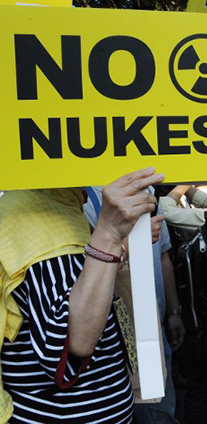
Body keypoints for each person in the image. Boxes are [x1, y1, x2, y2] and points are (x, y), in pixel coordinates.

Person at [0, 168, 163, 422]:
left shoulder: (56, 204)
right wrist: (108, 234)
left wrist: (118, 248)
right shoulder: (37, 215)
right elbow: (74, 341)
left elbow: (77, 282)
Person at [83, 186, 185, 424]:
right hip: (114, 333)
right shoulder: (87, 197)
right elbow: (85, 268)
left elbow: (163, 256)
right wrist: (127, 244)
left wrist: (173, 311)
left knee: (161, 410)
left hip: (153, 329)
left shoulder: (146, 191)